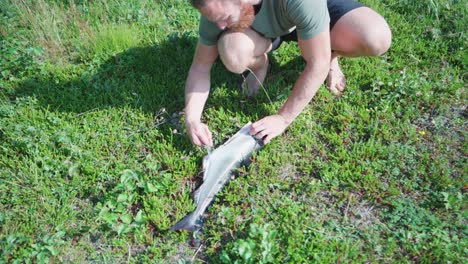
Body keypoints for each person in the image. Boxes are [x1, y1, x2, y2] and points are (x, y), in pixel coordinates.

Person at [184, 0, 391, 146]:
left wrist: (283, 118)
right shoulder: (216, 10)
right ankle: (260, 63)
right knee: (232, 52)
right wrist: (192, 119)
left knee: (376, 38)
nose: (220, 26)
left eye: (225, 18)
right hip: (269, 26)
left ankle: (330, 53)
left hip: (311, 7)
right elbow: (200, 66)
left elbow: (316, 64)